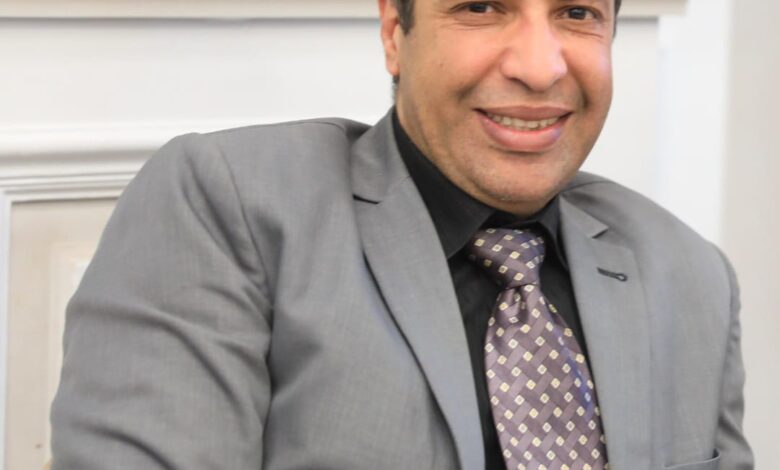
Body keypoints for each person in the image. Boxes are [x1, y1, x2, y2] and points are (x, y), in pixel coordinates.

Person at [51, 0, 754, 469]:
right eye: (481, 6)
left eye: (577, 13)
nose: (541, 66)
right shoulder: (231, 203)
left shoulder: (691, 274)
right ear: (395, 32)